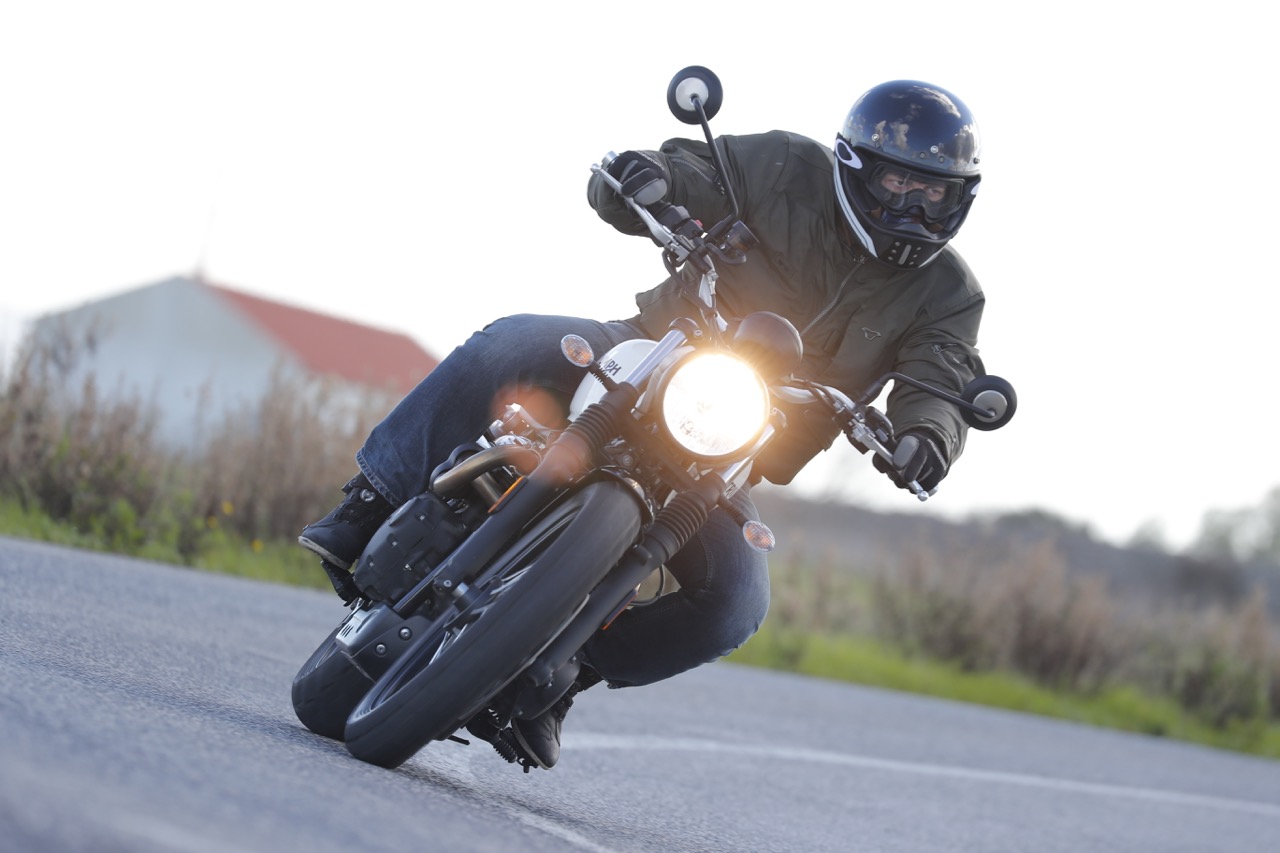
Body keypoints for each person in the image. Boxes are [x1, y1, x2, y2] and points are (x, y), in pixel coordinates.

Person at [298, 79, 988, 770]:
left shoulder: (948, 294)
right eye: (898, 181)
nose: (913, 204)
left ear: (959, 197)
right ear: (857, 167)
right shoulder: (784, 166)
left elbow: (943, 377)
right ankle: (371, 500)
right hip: (651, 350)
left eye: (933, 192)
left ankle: (563, 674)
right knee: (508, 343)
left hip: (737, 444)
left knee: (736, 605)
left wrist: (927, 437)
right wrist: (647, 178)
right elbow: (690, 171)